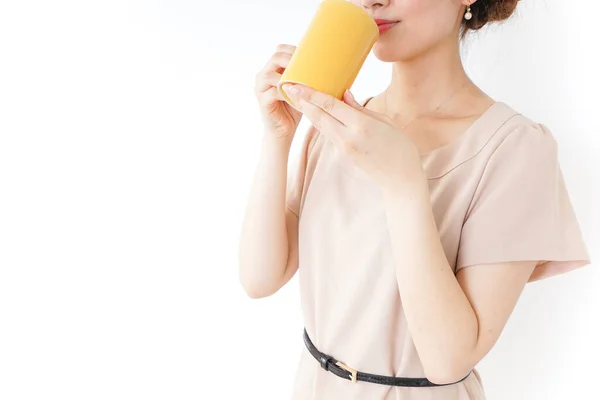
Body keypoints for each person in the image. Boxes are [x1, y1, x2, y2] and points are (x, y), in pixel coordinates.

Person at [238, 0, 591, 399]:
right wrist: (277, 138)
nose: (374, 1)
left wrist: (404, 184)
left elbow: (448, 359)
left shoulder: (514, 149)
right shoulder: (339, 121)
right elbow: (260, 278)